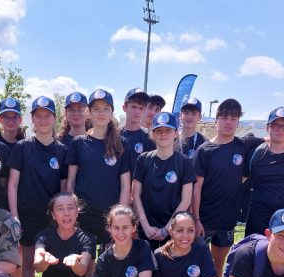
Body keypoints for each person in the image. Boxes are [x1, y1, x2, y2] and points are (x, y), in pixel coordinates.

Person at [194, 99, 284, 277]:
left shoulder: (245, 144)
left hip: (228, 219)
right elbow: (197, 187)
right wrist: (195, 217)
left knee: (219, 265)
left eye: (233, 118)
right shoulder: (206, 150)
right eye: (224, 118)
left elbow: (274, 138)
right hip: (207, 218)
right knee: (197, 264)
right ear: (216, 120)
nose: (228, 122)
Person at [8, 96, 68, 277]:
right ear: (32, 119)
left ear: (54, 119)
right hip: (27, 214)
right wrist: (14, 215)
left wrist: (63, 216)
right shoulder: (22, 147)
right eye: (38, 116)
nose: (43, 120)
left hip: (52, 217)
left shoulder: (62, 150)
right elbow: (13, 184)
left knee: (52, 262)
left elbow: (64, 187)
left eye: (47, 115)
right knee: (27, 263)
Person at [67, 89, 131, 246]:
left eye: (105, 109)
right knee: (85, 265)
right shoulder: (78, 143)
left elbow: (125, 185)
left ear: (111, 113)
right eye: (96, 109)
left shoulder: (121, 144)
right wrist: (72, 210)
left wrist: (121, 214)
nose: (101, 113)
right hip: (84, 215)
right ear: (88, 112)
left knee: (110, 265)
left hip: (111, 216)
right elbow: (70, 182)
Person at [132, 112, 194, 249]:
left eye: (168, 130)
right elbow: (135, 195)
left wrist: (167, 229)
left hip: (173, 232)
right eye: (159, 131)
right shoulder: (143, 159)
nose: (163, 134)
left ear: (176, 133)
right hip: (146, 231)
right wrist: (145, 226)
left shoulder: (185, 162)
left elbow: (186, 200)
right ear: (153, 134)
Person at [245, 107, 284, 236]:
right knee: (256, 254)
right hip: (258, 219)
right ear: (268, 128)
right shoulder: (255, 151)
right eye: (275, 125)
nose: (280, 130)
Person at [120, 88, 155, 157]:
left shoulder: (149, 140)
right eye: (134, 107)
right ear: (124, 108)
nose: (137, 112)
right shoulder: (114, 136)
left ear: (144, 111)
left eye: (141, 108)